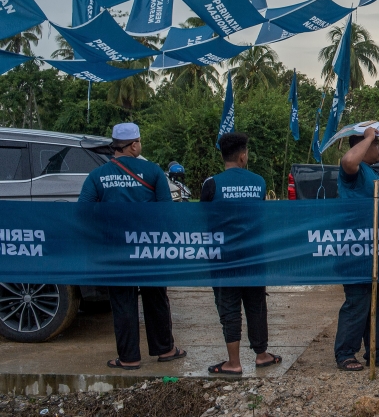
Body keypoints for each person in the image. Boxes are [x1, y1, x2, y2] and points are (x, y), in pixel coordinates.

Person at [78, 123, 186, 370]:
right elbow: (166, 213)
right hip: (150, 248)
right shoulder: (153, 171)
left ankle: (129, 358)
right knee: (156, 298)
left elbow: (83, 212)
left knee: (122, 301)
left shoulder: (98, 175)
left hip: (116, 249)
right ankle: (165, 349)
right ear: (134, 145)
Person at [201, 133, 281, 375]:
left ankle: (233, 363)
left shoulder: (211, 184)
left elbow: (203, 219)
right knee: (256, 305)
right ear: (243, 156)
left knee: (229, 307)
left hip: (224, 258)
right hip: (254, 256)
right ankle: (262, 355)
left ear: (223, 156)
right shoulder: (258, 182)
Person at [333, 127, 379, 371]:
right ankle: (345, 353)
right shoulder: (354, 171)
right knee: (358, 301)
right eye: (375, 143)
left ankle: (376, 351)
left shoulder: (373, 172)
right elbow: (348, 161)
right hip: (357, 249)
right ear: (360, 146)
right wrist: (369, 135)